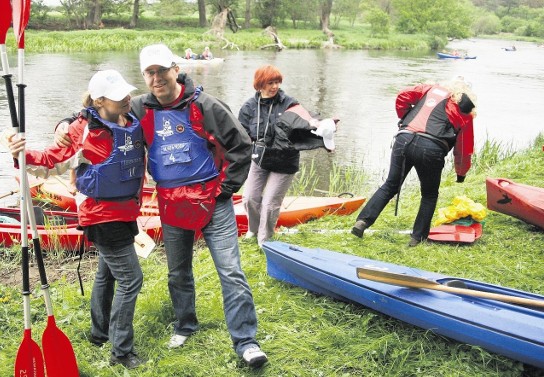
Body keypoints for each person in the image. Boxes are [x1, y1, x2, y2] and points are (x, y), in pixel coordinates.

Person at [53, 44, 267, 368]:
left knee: (231, 271)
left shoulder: (207, 106)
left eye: (162, 70)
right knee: (178, 272)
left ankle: (247, 342)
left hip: (212, 202)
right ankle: (185, 325)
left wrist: (225, 191)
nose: (156, 78)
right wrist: (64, 124)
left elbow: (241, 146)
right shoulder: (138, 108)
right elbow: (97, 114)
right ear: (144, 76)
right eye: (149, 73)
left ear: (175, 69)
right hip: (172, 203)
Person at [8, 69, 147, 369]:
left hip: (126, 210)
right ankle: (121, 351)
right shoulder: (80, 131)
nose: (126, 98)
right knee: (131, 278)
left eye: (126, 92)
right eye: (118, 96)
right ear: (99, 101)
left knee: (107, 273)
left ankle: (100, 334)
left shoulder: (129, 117)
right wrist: (20, 154)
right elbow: (50, 159)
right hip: (101, 214)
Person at [351, 77, 477, 246]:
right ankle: (417, 238)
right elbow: (464, 148)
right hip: (431, 148)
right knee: (429, 194)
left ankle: (362, 222)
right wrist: (461, 173)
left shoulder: (428, 89)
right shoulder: (465, 111)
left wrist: (405, 118)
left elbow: (402, 96)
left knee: (390, 185)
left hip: (403, 139)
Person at [238, 64, 339, 247]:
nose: (275, 86)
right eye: (270, 82)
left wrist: (324, 126)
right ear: (260, 84)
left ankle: (265, 240)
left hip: (285, 161)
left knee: (270, 204)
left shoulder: (289, 103)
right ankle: (253, 229)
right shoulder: (249, 107)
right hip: (260, 159)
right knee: (249, 198)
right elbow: (241, 135)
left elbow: (308, 119)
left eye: (277, 82)